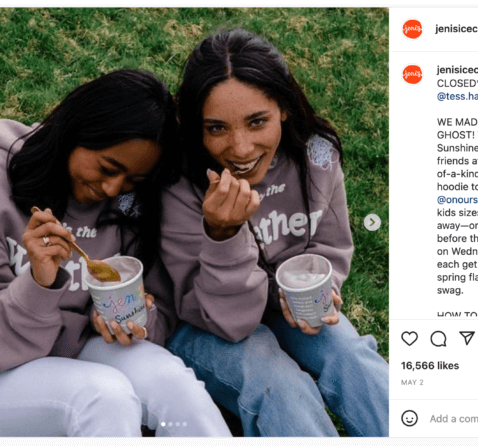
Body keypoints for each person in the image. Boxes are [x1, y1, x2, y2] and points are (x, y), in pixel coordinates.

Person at [0, 69, 231, 437]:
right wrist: (39, 283)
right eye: (108, 168)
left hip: (80, 349)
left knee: (174, 384)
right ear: (75, 133)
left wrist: (137, 317)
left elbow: (159, 318)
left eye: (133, 180)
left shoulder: (129, 206)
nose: (112, 188)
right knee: (103, 396)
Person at [161, 28, 389, 436]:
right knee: (278, 383)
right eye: (216, 128)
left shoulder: (315, 156)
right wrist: (222, 234)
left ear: (283, 107)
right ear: (196, 128)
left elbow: (330, 243)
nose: (241, 148)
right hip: (206, 323)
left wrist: (321, 283)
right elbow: (226, 321)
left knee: (349, 355)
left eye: (257, 122)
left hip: (288, 307)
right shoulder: (179, 184)